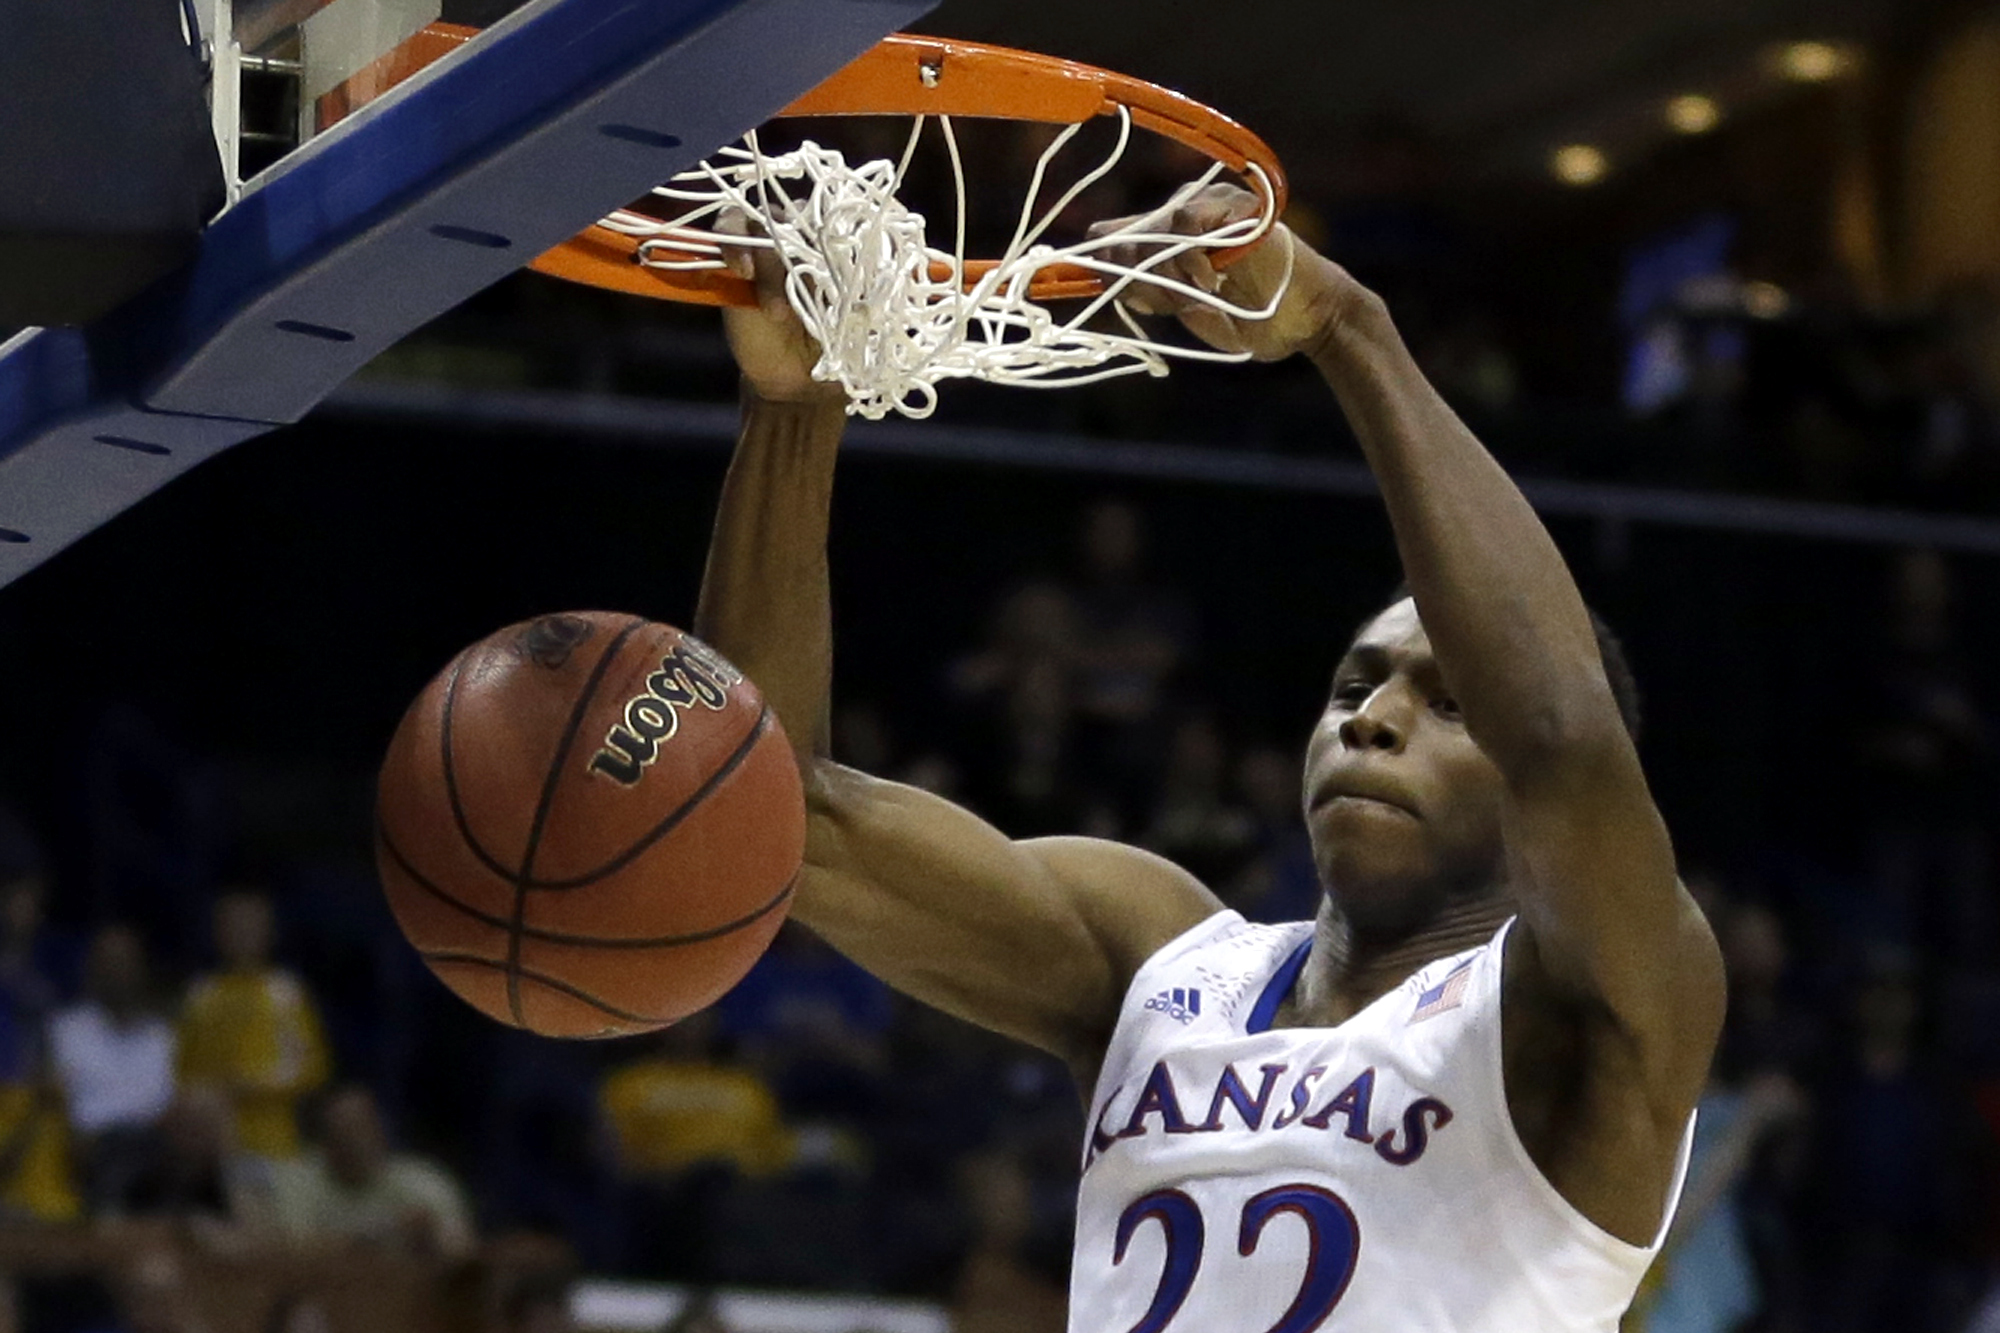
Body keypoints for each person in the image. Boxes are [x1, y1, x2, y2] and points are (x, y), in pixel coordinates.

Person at [694, 185, 1723, 1330]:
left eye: (1449, 703)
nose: (1370, 719)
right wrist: (791, 406)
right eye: (1350, 686)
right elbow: (773, 811)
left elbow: (1561, 738)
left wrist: (1344, 328)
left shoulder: (1593, 1007)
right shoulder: (1162, 959)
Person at [175, 889, 330, 1158]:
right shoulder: (202, 993)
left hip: (272, 1141)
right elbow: (180, 1069)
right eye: (233, 925)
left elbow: (312, 1068)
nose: (242, 933)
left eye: (251, 925)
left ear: (269, 932)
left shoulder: (285, 993)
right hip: (208, 1144)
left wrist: (250, 1084)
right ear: (218, 932)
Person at [266, 1084, 475, 1260]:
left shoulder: (423, 1181)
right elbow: (289, 1251)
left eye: (367, 1126)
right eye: (348, 1131)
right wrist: (371, 1238)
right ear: (324, 1145)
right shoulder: (298, 1181)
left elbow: (464, 1251)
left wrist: (431, 1238)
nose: (362, 1142)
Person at [51, 924, 177, 1208]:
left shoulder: (164, 1036)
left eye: (124, 962)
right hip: (91, 1147)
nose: (116, 972)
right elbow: (51, 1099)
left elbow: (174, 1102)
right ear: (92, 969)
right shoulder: (66, 1029)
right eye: (107, 962)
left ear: (141, 968)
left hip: (155, 1146)